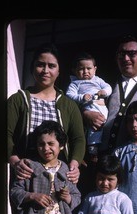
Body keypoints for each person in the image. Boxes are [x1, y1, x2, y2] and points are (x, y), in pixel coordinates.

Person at [82, 34, 137, 168]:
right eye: (121, 54)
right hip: (101, 163)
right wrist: (86, 114)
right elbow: (82, 103)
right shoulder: (104, 83)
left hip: (136, 163)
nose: (125, 58)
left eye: (131, 54)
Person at [7, 42, 86, 185]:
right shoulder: (18, 100)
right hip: (25, 175)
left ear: (59, 71)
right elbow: (4, 134)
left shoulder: (69, 105)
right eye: (40, 64)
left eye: (51, 66)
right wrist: (15, 161)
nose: (45, 70)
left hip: (59, 177)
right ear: (33, 68)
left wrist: (74, 164)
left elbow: (78, 139)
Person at [66, 52, 112, 161]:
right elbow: (69, 95)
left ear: (95, 69)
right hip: (89, 107)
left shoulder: (98, 80)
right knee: (94, 127)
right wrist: (82, 97)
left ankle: (105, 145)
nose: (85, 71)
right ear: (75, 70)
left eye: (89, 68)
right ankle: (93, 148)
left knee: (106, 124)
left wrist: (104, 92)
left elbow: (108, 87)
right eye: (81, 69)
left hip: (102, 106)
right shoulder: (75, 83)